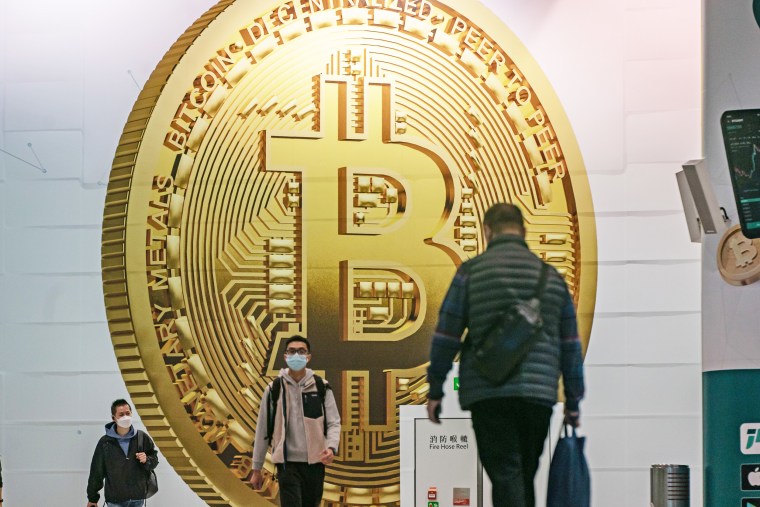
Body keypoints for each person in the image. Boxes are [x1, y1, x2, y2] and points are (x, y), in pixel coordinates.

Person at [426, 203, 585, 507]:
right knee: (524, 473)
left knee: (506, 474)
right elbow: (570, 347)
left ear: (488, 231)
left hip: (489, 390)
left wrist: (435, 389)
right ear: (523, 231)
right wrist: (574, 402)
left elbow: (447, 334)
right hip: (538, 393)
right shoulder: (551, 278)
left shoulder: (471, 273)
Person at [250, 335, 341, 507]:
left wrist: (331, 447)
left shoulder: (321, 386)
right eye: (292, 351)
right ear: (285, 356)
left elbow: (333, 422)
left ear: (308, 357)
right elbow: (262, 430)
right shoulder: (274, 389)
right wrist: (256, 468)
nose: (296, 355)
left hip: (315, 463)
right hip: (287, 465)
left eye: (301, 351)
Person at [86, 399, 158, 507]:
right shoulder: (105, 442)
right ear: (113, 418)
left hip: (137, 498)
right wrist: (93, 498)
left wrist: (147, 459)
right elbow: (97, 471)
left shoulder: (141, 438)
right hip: (115, 500)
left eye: (128, 413)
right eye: (121, 414)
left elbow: (154, 460)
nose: (125, 417)